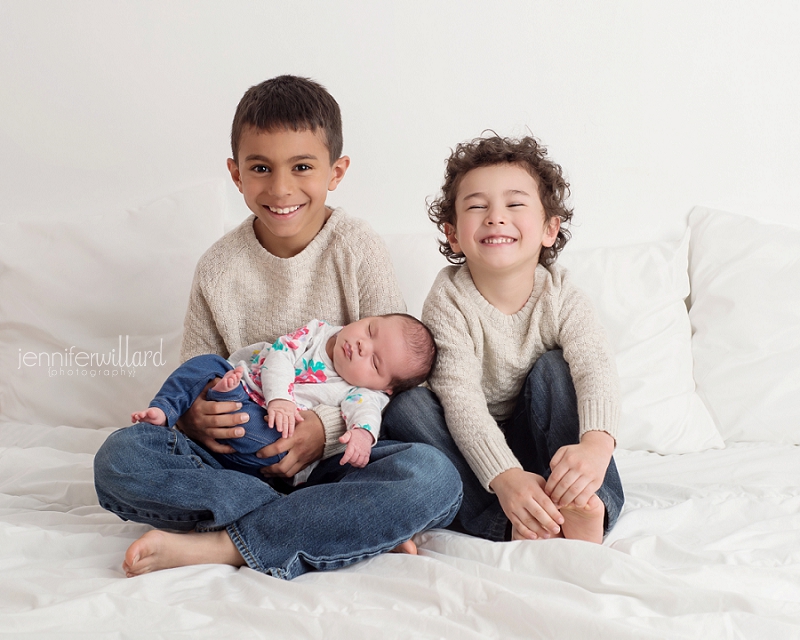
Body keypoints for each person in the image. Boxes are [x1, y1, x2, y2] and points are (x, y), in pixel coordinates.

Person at [93, 75, 461, 580]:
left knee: (433, 476)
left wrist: (323, 430)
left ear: (336, 172)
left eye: (302, 167)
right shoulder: (218, 267)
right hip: (234, 456)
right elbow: (195, 369)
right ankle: (335, 523)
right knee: (120, 460)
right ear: (236, 174)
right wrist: (192, 418)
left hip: (331, 462)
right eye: (261, 168)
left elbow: (392, 379)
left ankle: (229, 544)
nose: (281, 188)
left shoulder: (357, 248)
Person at [383, 135, 624, 545]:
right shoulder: (447, 303)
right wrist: (506, 477)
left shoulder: (562, 295)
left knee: (555, 369)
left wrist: (596, 445)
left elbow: (596, 366)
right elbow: (461, 403)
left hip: (545, 446)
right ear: (454, 234)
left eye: (514, 204)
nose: (496, 217)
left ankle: (585, 500)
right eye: (477, 206)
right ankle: (513, 521)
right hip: (479, 455)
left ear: (550, 229)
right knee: (409, 407)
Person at [131, 314, 437, 476]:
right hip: (244, 385)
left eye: (374, 361)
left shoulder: (361, 391)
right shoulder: (318, 332)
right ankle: (163, 410)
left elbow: (367, 413)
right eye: (370, 331)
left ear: (384, 387)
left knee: (274, 446)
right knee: (203, 365)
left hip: (263, 431)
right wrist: (279, 398)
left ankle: (243, 492)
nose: (361, 346)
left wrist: (362, 436)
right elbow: (279, 355)